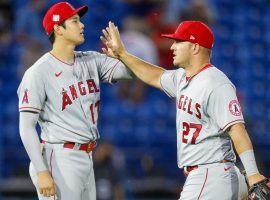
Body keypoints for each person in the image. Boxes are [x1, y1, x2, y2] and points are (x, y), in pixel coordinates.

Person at [101, 21, 268, 199]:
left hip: (210, 173)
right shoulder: (182, 78)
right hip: (212, 174)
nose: (172, 46)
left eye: (179, 42)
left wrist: (253, 175)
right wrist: (123, 55)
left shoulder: (216, 82)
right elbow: (155, 75)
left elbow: (236, 129)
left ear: (195, 47)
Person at [17, 2, 134, 200]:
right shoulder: (38, 72)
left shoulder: (91, 60)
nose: (82, 25)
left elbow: (132, 72)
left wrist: (122, 55)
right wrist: (41, 171)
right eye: (74, 21)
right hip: (59, 156)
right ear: (58, 29)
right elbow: (26, 127)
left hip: (87, 156)